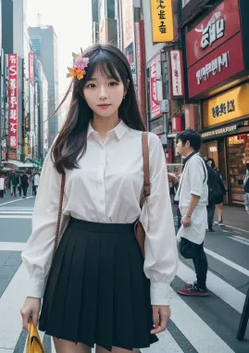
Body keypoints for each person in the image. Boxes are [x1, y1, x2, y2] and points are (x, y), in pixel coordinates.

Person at [20, 44, 178, 353]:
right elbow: (47, 217)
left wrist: (160, 291)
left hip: (125, 263)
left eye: (112, 83)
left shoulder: (147, 145)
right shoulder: (63, 145)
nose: (102, 94)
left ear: (126, 87)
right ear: (81, 91)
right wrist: (34, 289)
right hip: (72, 261)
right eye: (92, 85)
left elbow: (158, 220)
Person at [175, 130, 209, 297]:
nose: (176, 145)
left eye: (178, 142)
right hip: (192, 212)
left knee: (195, 250)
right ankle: (200, 284)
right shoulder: (192, 161)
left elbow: (196, 192)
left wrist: (187, 215)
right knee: (195, 249)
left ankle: (201, 286)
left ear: (187, 143)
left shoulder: (194, 162)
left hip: (194, 213)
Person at [205, 158, 226, 232]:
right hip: (211, 193)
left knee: (206, 208)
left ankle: (207, 224)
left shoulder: (203, 172)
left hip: (205, 193)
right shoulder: (215, 172)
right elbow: (220, 182)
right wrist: (223, 192)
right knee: (211, 208)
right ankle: (209, 223)